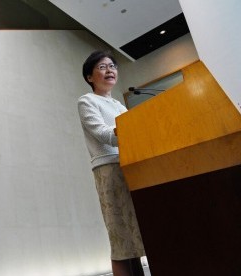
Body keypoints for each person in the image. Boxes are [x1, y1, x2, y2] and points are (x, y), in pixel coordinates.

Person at [77, 50, 146, 276]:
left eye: (113, 66)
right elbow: (102, 133)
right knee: (121, 239)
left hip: (131, 165)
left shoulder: (118, 104)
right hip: (109, 171)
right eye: (103, 67)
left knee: (136, 235)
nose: (110, 70)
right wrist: (132, 131)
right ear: (90, 77)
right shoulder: (87, 100)